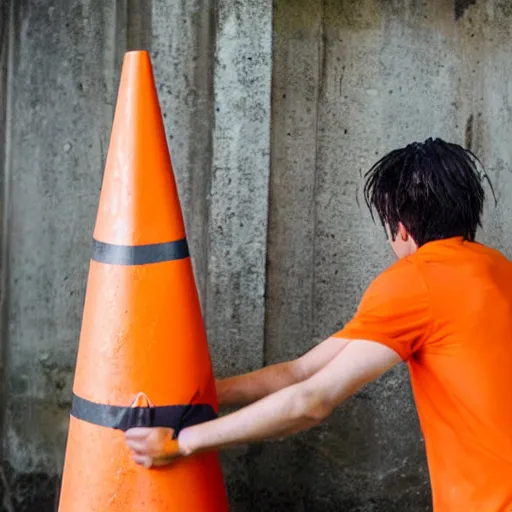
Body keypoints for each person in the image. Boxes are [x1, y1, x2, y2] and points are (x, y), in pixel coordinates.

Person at [125, 138, 512, 511]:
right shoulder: (499, 269)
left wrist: (181, 443)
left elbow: (311, 401)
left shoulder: (416, 281)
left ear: (401, 228)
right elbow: (300, 372)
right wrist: (201, 397)